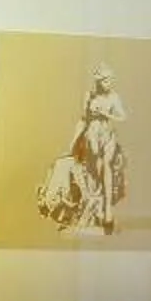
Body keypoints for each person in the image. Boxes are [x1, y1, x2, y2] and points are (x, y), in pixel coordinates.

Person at [34, 67, 131, 236]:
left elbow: (123, 117)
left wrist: (105, 113)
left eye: (110, 80)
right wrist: (72, 143)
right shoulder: (89, 96)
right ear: (98, 82)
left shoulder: (114, 97)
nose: (108, 84)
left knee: (105, 165)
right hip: (92, 134)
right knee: (88, 165)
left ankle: (107, 212)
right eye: (105, 81)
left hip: (107, 135)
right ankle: (88, 206)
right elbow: (83, 119)